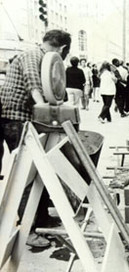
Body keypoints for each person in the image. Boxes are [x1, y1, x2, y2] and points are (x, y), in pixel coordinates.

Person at [0, 29, 71, 247]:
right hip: (15, 119)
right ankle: (28, 231)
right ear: (61, 48)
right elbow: (34, 86)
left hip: (22, 117)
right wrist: (46, 110)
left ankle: (42, 218)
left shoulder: (43, 58)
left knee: (40, 170)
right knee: (27, 174)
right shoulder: (34, 56)